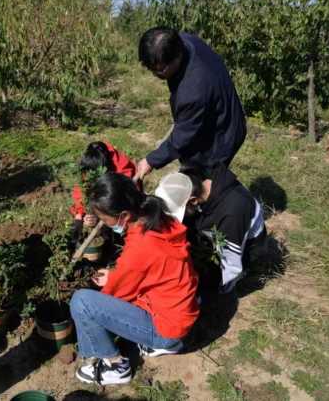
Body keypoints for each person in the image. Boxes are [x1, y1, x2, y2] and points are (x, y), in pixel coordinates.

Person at [70, 173, 199, 386]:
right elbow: (151, 268)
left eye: (104, 218)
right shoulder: (157, 218)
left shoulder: (141, 247)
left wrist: (90, 316)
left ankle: (114, 366)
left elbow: (116, 294)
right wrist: (116, 275)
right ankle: (164, 344)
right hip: (178, 313)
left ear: (124, 216)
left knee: (82, 302)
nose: (102, 223)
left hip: (165, 328)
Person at [134, 27, 246, 179]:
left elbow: (182, 138)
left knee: (203, 178)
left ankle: (221, 197)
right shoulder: (183, 41)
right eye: (151, 69)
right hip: (214, 107)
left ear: (176, 57)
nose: (155, 75)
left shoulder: (193, 91)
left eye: (159, 71)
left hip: (223, 133)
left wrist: (150, 161)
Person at [155, 165, 266, 293]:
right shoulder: (196, 180)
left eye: (182, 210)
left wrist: (219, 292)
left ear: (193, 200)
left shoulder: (231, 215)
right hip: (214, 222)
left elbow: (232, 265)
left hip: (245, 247)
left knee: (204, 282)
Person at [70, 141, 137, 247]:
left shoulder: (122, 169)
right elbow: (81, 189)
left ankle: (117, 239)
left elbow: (117, 198)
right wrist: (80, 215)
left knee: (117, 223)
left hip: (123, 198)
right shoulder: (89, 164)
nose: (87, 177)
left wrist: (100, 216)